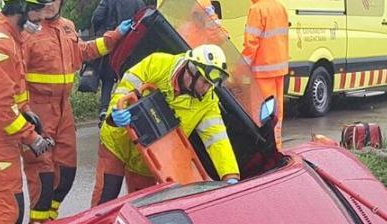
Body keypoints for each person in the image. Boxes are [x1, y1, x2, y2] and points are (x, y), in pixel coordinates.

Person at [22, 0, 133, 224]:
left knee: (66, 174)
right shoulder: (26, 30)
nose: (50, 4)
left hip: (64, 109)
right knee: (43, 178)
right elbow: (13, 75)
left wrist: (114, 36)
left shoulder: (67, 26)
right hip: (37, 110)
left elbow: (82, 51)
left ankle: (47, 223)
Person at [92, 44, 240, 205]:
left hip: (148, 158)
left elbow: (217, 140)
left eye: (210, 85)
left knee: (143, 209)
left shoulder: (207, 102)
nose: (207, 89)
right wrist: (115, 112)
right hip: (117, 141)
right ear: (191, 71)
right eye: (204, 82)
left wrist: (230, 176)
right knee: (105, 199)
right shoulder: (158, 63)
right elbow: (125, 87)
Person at [0, 0, 56, 224]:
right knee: (9, 205)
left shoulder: (12, 37)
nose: (42, 19)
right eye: (38, 12)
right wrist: (31, 138)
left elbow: (14, 91)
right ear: (21, 7)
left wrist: (27, 113)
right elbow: (1, 104)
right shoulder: (0, 42)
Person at [241, 0, 287, 150]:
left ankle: (265, 150)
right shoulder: (279, 7)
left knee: (262, 115)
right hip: (279, 69)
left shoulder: (257, 9)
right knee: (276, 113)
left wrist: (240, 68)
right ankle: (277, 147)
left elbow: (251, 44)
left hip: (262, 71)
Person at [91, 0, 144, 121]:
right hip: (129, 46)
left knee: (107, 79)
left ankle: (104, 109)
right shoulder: (138, 2)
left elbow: (96, 17)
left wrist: (104, 30)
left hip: (111, 43)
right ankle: (126, 107)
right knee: (128, 80)